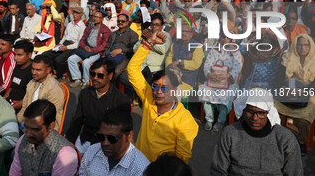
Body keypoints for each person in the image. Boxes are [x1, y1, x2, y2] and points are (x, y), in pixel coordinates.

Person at [127, 31, 199, 163]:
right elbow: (132, 70)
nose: (158, 92)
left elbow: (181, 159)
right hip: (136, 162)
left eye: (165, 88)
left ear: (175, 90)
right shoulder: (149, 97)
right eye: (155, 86)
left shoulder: (185, 120)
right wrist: (149, 43)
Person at [211, 88, 303, 176]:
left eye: (261, 113)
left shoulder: (286, 138)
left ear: (269, 113)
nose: (255, 118)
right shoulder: (229, 133)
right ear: (243, 110)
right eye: (250, 111)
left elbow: (295, 175)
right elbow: (218, 171)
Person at [66, 58, 131, 155]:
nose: (95, 78)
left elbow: (123, 131)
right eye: (92, 74)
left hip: (106, 144)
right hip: (85, 140)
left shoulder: (121, 100)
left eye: (100, 75)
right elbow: (77, 120)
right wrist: (68, 143)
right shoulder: (85, 93)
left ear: (110, 76)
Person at [9, 99, 78, 176]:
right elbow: (14, 175)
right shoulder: (22, 140)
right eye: (26, 127)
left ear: (51, 126)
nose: (28, 134)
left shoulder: (65, 155)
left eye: (35, 129)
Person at [78, 106, 149, 176]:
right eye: (101, 136)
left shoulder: (141, 169)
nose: (105, 143)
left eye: (112, 138)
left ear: (129, 136)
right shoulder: (91, 152)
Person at [275, 33, 315, 155]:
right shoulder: (287, 57)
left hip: (308, 93)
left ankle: (301, 142)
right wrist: (284, 87)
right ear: (295, 46)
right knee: (275, 110)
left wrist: (303, 91)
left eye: (305, 45)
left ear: (310, 46)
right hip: (287, 92)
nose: (302, 48)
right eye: (300, 45)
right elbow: (279, 79)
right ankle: (278, 140)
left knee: (305, 118)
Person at [199, 31, 243, 131]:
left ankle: (220, 121)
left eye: (227, 38)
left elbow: (237, 67)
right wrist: (210, 74)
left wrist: (227, 76)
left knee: (225, 94)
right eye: (223, 37)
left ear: (231, 39)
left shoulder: (235, 52)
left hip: (228, 81)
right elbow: (207, 64)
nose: (225, 40)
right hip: (213, 80)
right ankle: (209, 119)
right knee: (205, 91)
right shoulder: (215, 50)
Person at [17, 55, 64, 131]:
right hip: (28, 121)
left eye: (38, 70)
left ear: (48, 70)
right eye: (32, 69)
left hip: (44, 127)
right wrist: (17, 120)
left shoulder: (54, 88)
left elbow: (48, 116)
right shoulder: (31, 83)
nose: (34, 72)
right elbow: (25, 107)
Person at [68, 11, 111, 88]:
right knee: (71, 59)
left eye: (97, 17)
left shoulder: (105, 30)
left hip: (97, 52)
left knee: (86, 63)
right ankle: (77, 79)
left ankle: (86, 81)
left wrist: (92, 50)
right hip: (86, 50)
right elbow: (82, 40)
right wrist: (84, 47)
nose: (95, 18)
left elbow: (104, 45)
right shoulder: (88, 28)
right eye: (94, 16)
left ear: (102, 19)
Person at [43, 6, 86, 80]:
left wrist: (66, 47)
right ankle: (54, 71)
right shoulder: (70, 24)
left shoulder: (83, 27)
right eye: (74, 13)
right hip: (65, 43)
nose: (75, 15)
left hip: (73, 47)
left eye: (77, 13)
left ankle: (62, 74)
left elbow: (78, 43)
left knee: (58, 59)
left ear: (81, 14)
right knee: (46, 54)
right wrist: (60, 44)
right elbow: (65, 36)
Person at [103, 13, 139, 78]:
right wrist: (103, 55)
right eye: (118, 21)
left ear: (127, 22)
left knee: (116, 71)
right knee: (100, 68)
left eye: (122, 21)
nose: (120, 22)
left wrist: (121, 50)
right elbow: (107, 46)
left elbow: (133, 49)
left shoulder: (133, 34)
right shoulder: (113, 33)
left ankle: (111, 86)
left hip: (124, 58)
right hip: (110, 55)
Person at [4, 40, 33, 112]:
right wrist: (3, 99)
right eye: (14, 54)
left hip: (23, 109)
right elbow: (12, 87)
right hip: (10, 104)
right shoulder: (17, 68)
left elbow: (29, 99)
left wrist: (10, 108)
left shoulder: (33, 72)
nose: (15, 58)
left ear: (29, 55)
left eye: (19, 55)